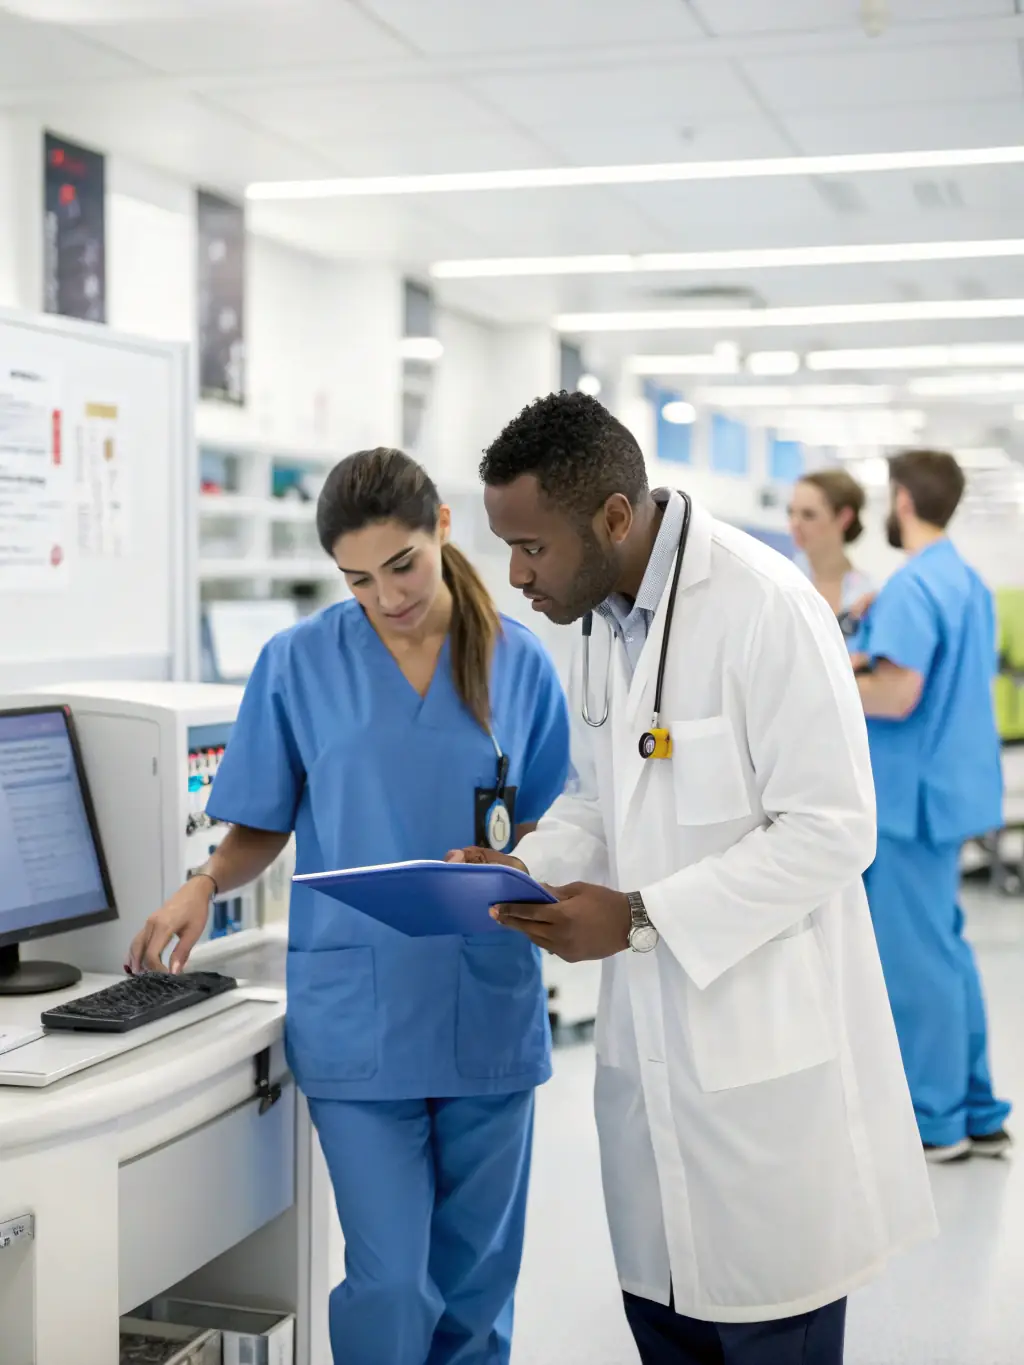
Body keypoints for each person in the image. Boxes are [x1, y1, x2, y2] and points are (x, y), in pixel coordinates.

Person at [449, 392, 935, 1365]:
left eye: (532, 548)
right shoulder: (598, 623)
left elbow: (834, 829)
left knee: (769, 1324)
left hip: (766, 1097)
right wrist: (525, 867)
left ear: (613, 518)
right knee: (668, 1320)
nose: (515, 576)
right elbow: (599, 798)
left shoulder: (766, 607)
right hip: (650, 1091)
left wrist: (639, 917)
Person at [127, 448, 570, 1365]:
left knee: (477, 1284)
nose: (386, 596)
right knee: (391, 1279)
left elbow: (557, 825)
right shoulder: (298, 662)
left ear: (441, 528)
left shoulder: (519, 662)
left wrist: (536, 867)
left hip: (485, 1004)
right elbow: (261, 820)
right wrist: (203, 883)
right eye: (358, 579)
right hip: (359, 1019)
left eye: (402, 565)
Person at [851, 448, 1011, 1163]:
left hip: (907, 802)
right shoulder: (964, 580)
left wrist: (825, 676)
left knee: (916, 963)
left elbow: (895, 693)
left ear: (903, 501)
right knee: (945, 951)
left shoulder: (914, 585)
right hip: (949, 790)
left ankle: (935, 1120)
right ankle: (978, 1109)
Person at [788, 469, 873, 633]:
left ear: (844, 517)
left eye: (808, 515)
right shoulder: (782, 581)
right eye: (791, 513)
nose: (795, 524)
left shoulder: (867, 594)